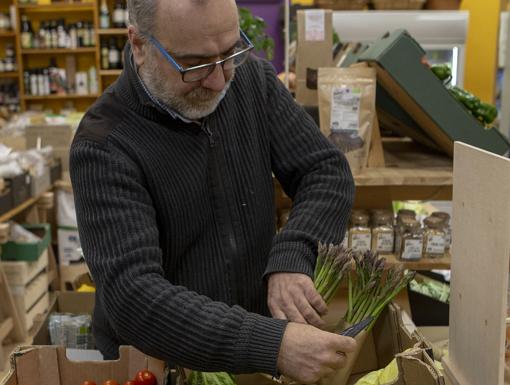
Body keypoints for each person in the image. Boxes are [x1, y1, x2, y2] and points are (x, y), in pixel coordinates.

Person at [70, 0, 357, 383]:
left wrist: (293, 253)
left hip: (250, 354)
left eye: (230, 52)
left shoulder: (251, 81)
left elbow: (325, 169)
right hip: (155, 367)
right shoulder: (104, 145)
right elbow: (133, 297)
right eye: (194, 65)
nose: (220, 80)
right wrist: (271, 345)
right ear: (139, 45)